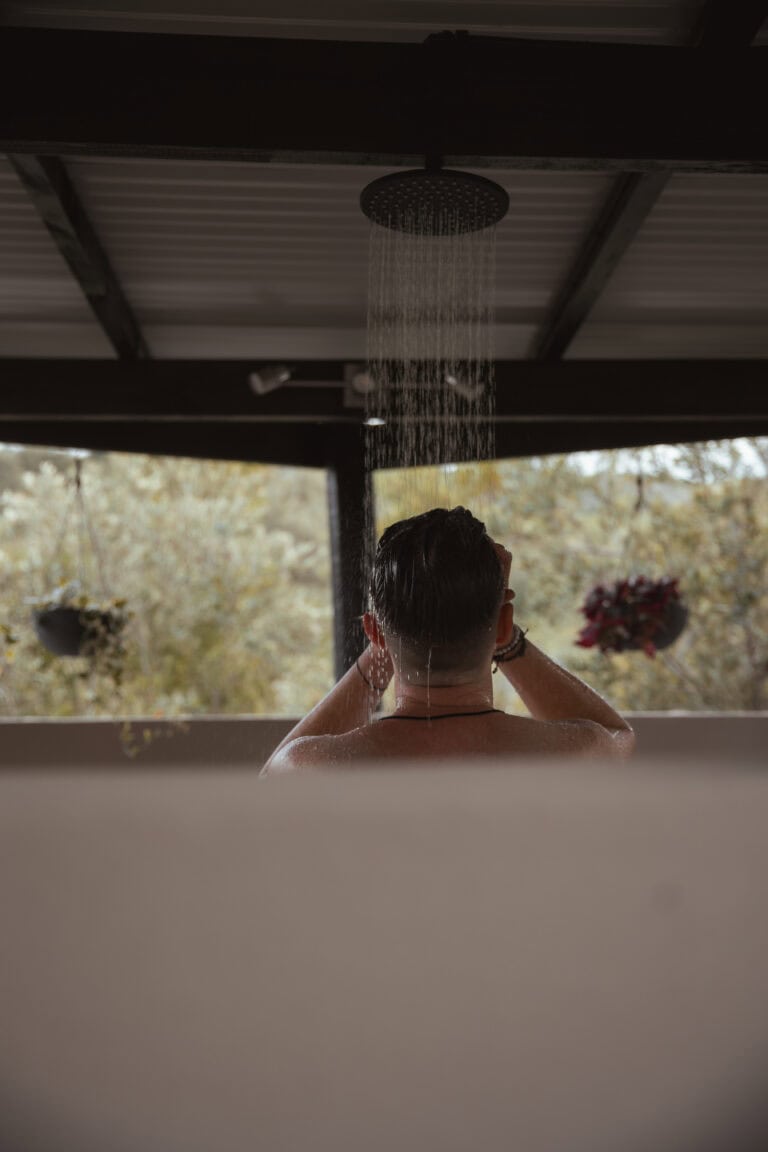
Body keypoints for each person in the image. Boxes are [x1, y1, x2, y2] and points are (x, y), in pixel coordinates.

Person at [261, 507, 635, 774]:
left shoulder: (310, 767)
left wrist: (390, 635)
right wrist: (503, 633)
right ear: (503, 626)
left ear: (375, 633)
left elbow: (270, 776)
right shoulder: (578, 754)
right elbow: (620, 735)